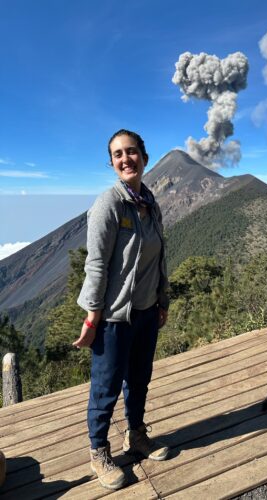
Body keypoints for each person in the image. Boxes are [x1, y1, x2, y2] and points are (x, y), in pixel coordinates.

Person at [73, 129, 170, 491]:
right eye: (117, 154)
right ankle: (98, 452)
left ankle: (137, 436)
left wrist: (162, 298)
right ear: (112, 163)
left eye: (131, 152)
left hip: (145, 313)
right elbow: (96, 266)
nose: (125, 159)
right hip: (114, 318)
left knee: (139, 379)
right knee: (105, 388)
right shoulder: (109, 205)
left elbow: (159, 255)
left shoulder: (150, 202)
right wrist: (92, 317)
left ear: (144, 157)